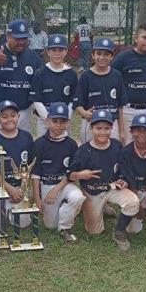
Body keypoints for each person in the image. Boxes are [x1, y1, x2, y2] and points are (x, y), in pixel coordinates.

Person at [68, 109, 139, 250]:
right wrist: (82, 175)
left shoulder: (116, 145)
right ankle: (97, 207)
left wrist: (124, 181)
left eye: (106, 128)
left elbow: (123, 168)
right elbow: (70, 175)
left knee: (133, 202)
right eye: (98, 128)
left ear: (112, 128)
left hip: (111, 188)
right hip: (92, 191)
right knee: (94, 232)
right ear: (91, 128)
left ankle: (118, 231)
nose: (102, 132)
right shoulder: (83, 151)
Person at [0, 19, 43, 133]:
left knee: (21, 145)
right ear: (8, 36)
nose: (21, 42)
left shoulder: (33, 57)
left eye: (24, 38)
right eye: (17, 38)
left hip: (23, 112)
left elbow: (42, 79)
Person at [31, 102, 86, 242]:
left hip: (64, 183)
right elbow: (35, 174)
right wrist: (37, 199)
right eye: (55, 121)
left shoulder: (71, 144)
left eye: (62, 121)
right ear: (47, 120)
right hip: (46, 184)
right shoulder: (39, 144)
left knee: (77, 197)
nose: (58, 125)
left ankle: (65, 227)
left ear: (68, 123)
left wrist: (56, 190)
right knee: (50, 226)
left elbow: (71, 173)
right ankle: (61, 208)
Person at [111, 22, 146, 145]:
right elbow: (109, 76)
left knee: (145, 144)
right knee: (126, 144)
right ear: (136, 38)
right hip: (128, 110)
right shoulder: (124, 58)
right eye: (145, 37)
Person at [0, 100, 34, 230]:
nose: (9, 119)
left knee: (23, 223)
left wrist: (22, 190)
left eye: (13, 115)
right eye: (4, 116)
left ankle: (11, 210)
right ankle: (2, 209)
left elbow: (29, 167)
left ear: (18, 116)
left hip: (19, 185)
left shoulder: (26, 137)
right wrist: (9, 189)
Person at [118, 114, 146, 253]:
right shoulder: (125, 151)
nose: (141, 134)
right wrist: (137, 202)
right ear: (131, 131)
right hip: (134, 189)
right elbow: (125, 175)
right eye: (137, 130)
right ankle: (120, 229)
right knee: (133, 230)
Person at [74, 38, 127, 144]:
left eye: (106, 54)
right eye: (99, 54)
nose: (102, 57)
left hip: (111, 123)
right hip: (91, 123)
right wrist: (84, 113)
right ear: (93, 55)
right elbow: (77, 103)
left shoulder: (116, 75)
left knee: (111, 154)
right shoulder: (86, 76)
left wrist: (122, 130)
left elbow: (120, 106)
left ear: (112, 56)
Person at [29, 34, 77, 136]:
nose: (57, 53)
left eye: (60, 50)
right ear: (48, 51)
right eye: (53, 50)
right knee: (43, 149)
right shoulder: (40, 73)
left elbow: (72, 100)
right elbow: (36, 100)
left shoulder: (71, 74)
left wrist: (66, 118)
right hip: (44, 120)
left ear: (66, 51)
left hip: (63, 121)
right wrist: (48, 119)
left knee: (64, 148)